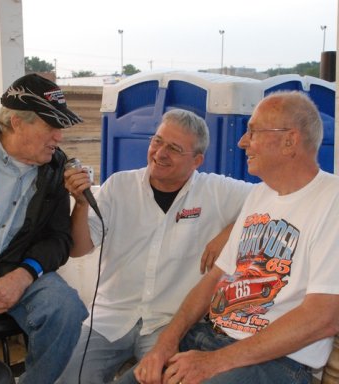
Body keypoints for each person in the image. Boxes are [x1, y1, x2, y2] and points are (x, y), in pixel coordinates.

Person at [121, 91, 339, 384]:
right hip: (211, 337)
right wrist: (165, 343)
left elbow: (323, 317)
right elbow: (214, 279)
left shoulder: (332, 201)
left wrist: (212, 363)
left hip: (278, 361)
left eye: (253, 132)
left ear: (290, 141)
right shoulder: (259, 194)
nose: (242, 142)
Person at [56, 108, 253, 384]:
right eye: (157, 141)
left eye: (174, 148)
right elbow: (78, 249)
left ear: (197, 160)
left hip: (170, 325)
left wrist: (229, 233)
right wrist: (81, 203)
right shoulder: (119, 185)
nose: (160, 153)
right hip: (111, 316)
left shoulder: (216, 191)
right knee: (68, 374)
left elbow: (273, 197)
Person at [0, 73, 88, 384]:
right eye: (51, 126)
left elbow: (59, 239)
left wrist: (26, 273)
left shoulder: (55, 170)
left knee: (66, 310)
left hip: (15, 267)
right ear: (17, 122)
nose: (59, 137)